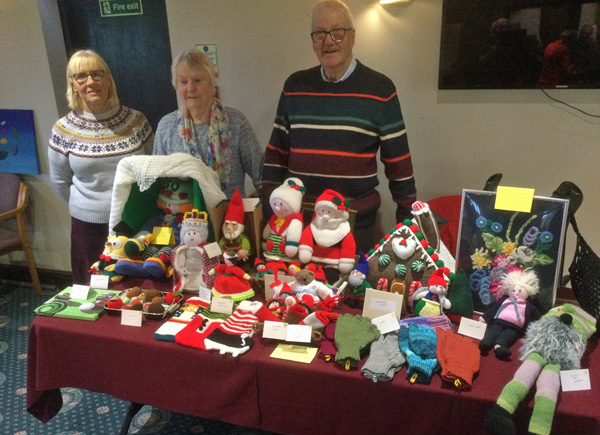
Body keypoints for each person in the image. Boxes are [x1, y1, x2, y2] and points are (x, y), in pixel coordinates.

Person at [261, 0, 416, 253]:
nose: (328, 41)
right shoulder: (294, 86)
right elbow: (275, 158)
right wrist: (271, 210)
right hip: (299, 226)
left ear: (352, 36)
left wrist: (407, 226)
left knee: (351, 292)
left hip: (356, 226)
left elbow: (400, 166)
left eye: (337, 31)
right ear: (313, 40)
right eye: (319, 33)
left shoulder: (380, 90)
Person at [48, 50, 153, 284]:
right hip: (89, 228)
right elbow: (59, 181)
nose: (91, 82)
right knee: (94, 290)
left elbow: (152, 169)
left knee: (136, 289)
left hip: (135, 222)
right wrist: (89, 206)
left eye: (97, 74)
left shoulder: (136, 121)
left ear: (108, 79)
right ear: (73, 84)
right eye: (81, 76)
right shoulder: (63, 130)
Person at [153, 49, 262, 199]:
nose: (190, 88)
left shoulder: (237, 122)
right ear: (176, 86)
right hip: (182, 217)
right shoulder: (166, 127)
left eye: (197, 80)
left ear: (212, 85)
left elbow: (261, 176)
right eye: (183, 82)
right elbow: (158, 181)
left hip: (231, 218)